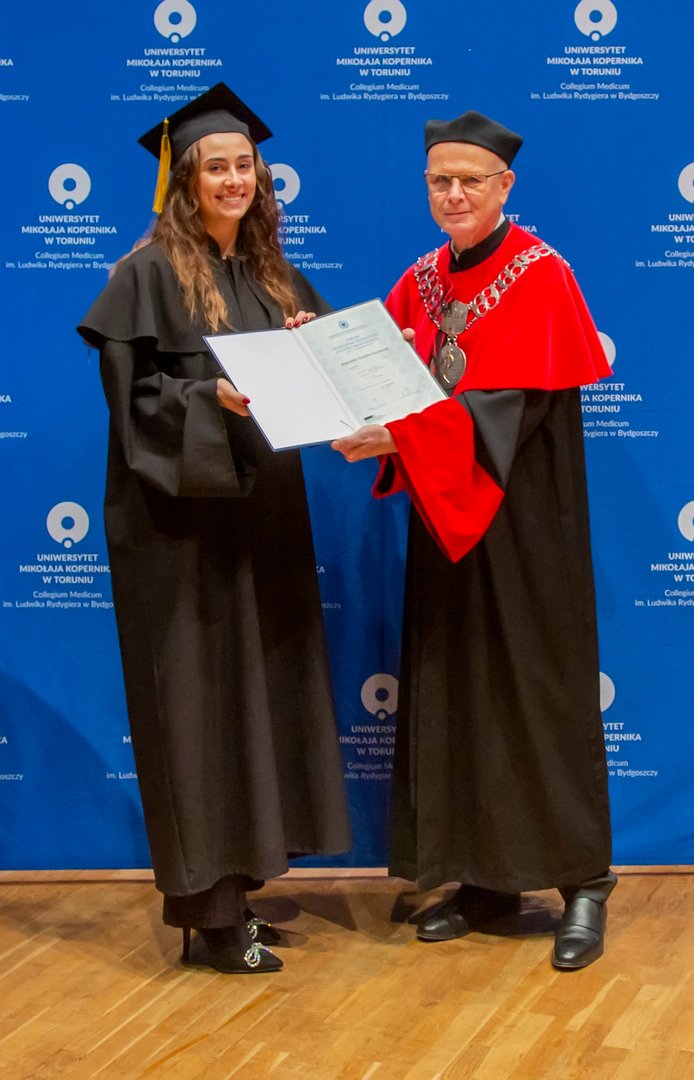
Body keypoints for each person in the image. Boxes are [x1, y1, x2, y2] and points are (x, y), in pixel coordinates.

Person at [332, 110, 616, 970]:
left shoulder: (540, 273)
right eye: (439, 181)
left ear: (505, 186)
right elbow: (376, 372)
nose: (453, 194)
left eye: (470, 180)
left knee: (537, 690)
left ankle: (583, 881)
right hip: (446, 518)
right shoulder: (419, 280)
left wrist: (402, 435)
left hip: (525, 523)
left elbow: (508, 410)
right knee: (459, 689)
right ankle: (487, 877)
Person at [78, 83, 350, 975]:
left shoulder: (273, 274)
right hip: (180, 527)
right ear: (184, 181)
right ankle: (208, 915)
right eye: (215, 168)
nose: (234, 180)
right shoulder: (146, 274)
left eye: (245, 167)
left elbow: (318, 382)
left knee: (255, 700)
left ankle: (241, 890)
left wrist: (311, 349)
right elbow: (135, 407)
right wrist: (210, 399)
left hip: (262, 517)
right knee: (197, 707)